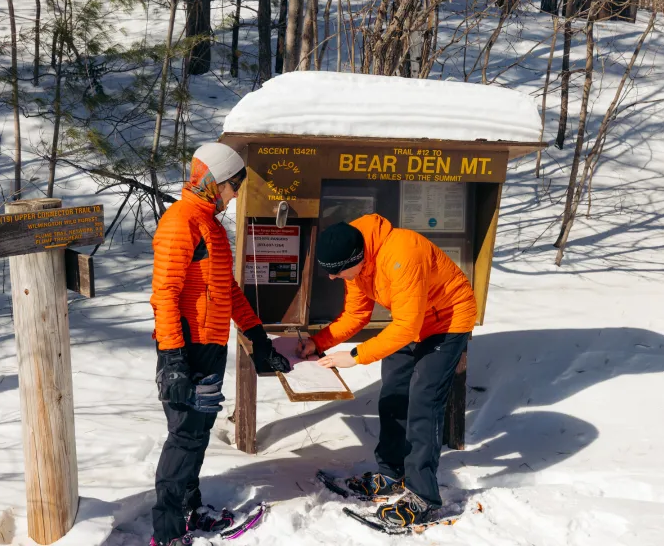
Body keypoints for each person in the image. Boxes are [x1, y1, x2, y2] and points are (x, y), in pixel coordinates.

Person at [149, 142, 291, 546]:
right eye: (232, 187)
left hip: (208, 345)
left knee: (197, 434)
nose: (233, 196)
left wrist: (257, 335)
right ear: (214, 182)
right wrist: (174, 359)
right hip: (186, 347)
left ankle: (189, 511)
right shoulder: (181, 223)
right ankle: (168, 532)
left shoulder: (208, 225)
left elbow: (226, 289)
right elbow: (165, 295)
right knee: (184, 438)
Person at [298, 213, 476, 527]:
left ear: (355, 259)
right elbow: (356, 315)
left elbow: (406, 327)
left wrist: (356, 355)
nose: (333, 278)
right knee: (393, 393)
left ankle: (424, 497)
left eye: (337, 272)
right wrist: (318, 342)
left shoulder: (402, 254)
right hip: (413, 321)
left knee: (424, 400)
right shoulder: (358, 263)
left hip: (448, 320)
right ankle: (392, 473)